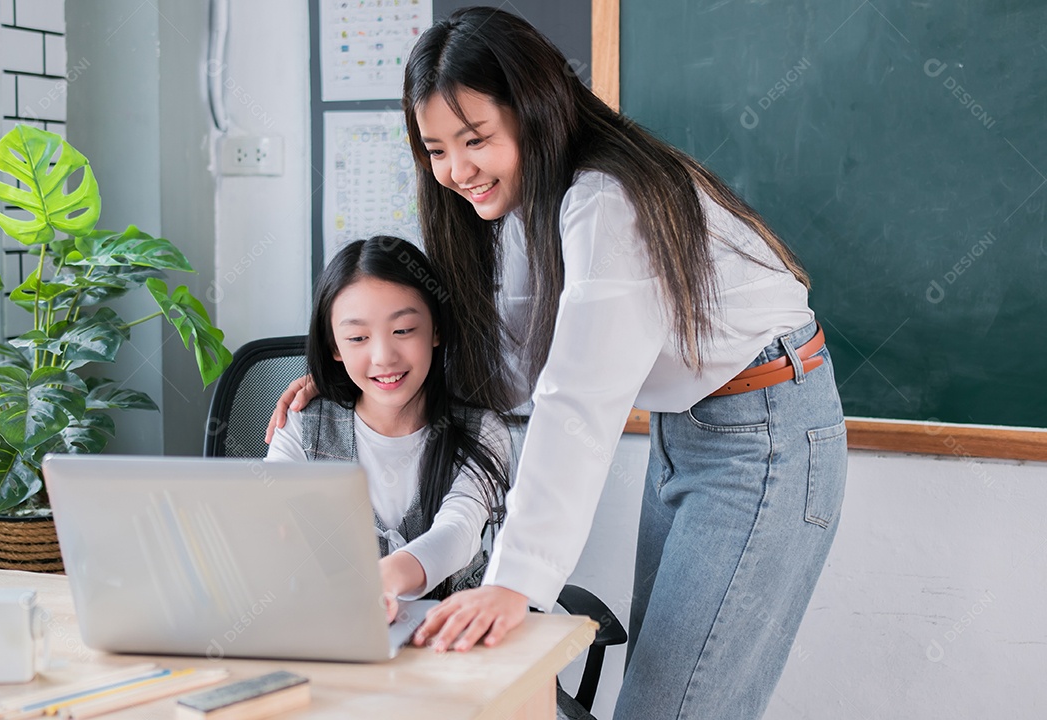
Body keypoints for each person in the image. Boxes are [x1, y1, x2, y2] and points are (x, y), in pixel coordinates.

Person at [269, 8, 847, 719]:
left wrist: (517, 583)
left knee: (675, 708)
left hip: (766, 431)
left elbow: (577, 402)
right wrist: (356, 382)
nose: (456, 171)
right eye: (436, 150)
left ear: (535, 110)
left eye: (475, 139)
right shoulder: (524, 208)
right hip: (691, 431)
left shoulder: (608, 203)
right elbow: (513, 364)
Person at [266, 236, 512, 623]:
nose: (383, 357)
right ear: (334, 346)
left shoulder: (482, 432)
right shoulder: (301, 424)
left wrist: (384, 579)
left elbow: (459, 531)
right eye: (358, 338)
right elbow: (271, 518)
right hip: (335, 633)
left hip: (454, 641)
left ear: (435, 330)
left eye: (403, 330)